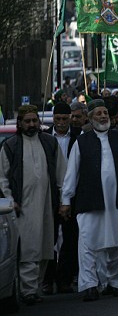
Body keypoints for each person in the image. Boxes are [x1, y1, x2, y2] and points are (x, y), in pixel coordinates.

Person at [60, 99, 118, 301]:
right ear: (91, 118)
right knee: (87, 245)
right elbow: (71, 173)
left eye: (105, 113)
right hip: (90, 202)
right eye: (98, 114)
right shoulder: (82, 141)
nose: (103, 117)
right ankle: (90, 284)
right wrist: (66, 200)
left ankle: (117, 283)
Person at [0, 105, 67, 305]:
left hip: (47, 204)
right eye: (27, 121)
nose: (31, 124)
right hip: (22, 207)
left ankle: (34, 288)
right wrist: (11, 200)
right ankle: (28, 291)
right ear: (20, 123)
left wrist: (64, 201)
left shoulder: (50, 143)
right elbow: (2, 178)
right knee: (28, 249)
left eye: (34, 121)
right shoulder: (10, 146)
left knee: (46, 248)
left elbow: (62, 175)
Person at [42, 102, 78, 295]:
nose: (62, 122)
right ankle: (47, 280)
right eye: (58, 119)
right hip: (50, 196)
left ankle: (65, 279)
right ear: (53, 119)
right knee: (49, 239)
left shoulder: (79, 136)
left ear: (70, 117)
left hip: (73, 195)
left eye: (65, 119)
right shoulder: (44, 137)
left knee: (71, 239)